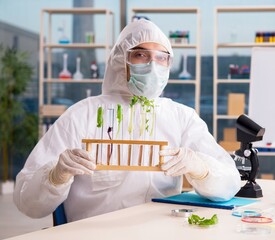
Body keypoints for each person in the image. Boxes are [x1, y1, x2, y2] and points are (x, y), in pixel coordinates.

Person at [13, 19, 241, 222]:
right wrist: (55, 175)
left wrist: (201, 168)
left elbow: (229, 184)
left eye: (161, 58)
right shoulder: (82, 115)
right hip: (97, 233)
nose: (152, 65)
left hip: (163, 230)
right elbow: (27, 203)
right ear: (121, 59)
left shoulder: (181, 117)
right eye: (141, 54)